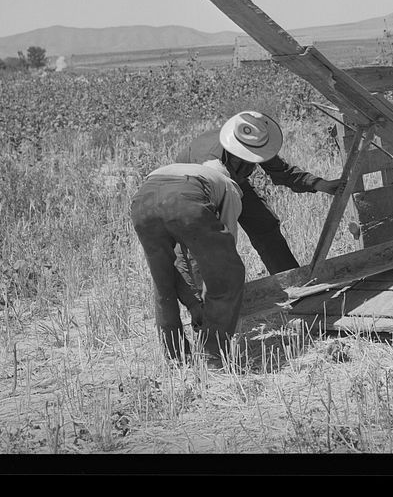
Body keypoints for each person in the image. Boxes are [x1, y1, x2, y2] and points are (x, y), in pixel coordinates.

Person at [175, 111, 343, 274]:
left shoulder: (254, 141)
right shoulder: (210, 163)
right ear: (236, 149)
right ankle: (206, 298)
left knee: (264, 225)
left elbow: (284, 172)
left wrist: (321, 185)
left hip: (233, 180)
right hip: (196, 189)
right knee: (205, 242)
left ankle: (290, 279)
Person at [130, 157, 245, 367]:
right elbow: (225, 251)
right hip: (185, 201)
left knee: (163, 283)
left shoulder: (189, 172)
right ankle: (213, 358)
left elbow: (181, 256)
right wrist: (210, 294)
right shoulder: (227, 185)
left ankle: (176, 358)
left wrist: (194, 303)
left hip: (143, 202)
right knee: (228, 275)